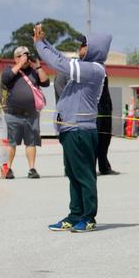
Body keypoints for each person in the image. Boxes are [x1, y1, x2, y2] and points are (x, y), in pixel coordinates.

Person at [34, 24, 110, 232]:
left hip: (80, 130)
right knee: (73, 174)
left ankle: (88, 217)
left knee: (84, 174)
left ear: (95, 49)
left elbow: (60, 64)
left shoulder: (94, 69)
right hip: (70, 130)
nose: (80, 47)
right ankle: (75, 214)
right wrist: (45, 42)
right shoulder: (84, 66)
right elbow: (61, 58)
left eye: (84, 44)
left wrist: (39, 45)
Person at [0, 46, 45, 178]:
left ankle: (32, 169)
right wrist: (19, 64)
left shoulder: (33, 71)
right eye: (23, 55)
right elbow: (6, 79)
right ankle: (7, 169)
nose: (26, 57)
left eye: (27, 55)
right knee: (11, 143)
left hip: (31, 114)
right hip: (13, 114)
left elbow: (45, 82)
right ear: (16, 58)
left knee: (31, 143)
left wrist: (38, 66)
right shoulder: (9, 70)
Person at [95, 75, 119, 176]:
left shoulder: (103, 71)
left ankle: (104, 167)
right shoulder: (90, 68)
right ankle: (90, 167)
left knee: (105, 138)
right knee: (94, 139)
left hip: (106, 108)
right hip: (95, 107)